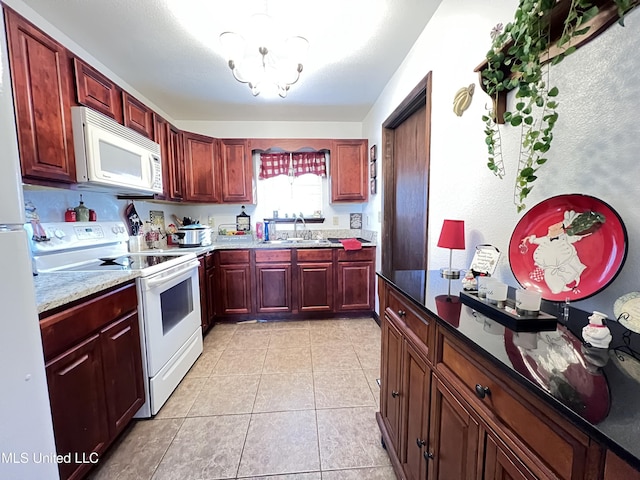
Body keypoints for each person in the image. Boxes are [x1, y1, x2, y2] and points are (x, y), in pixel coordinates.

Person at [521, 212, 591, 295]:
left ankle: (571, 282)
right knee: (551, 275)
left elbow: (577, 236)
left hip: (563, 259)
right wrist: (529, 239)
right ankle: (556, 288)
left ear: (561, 230)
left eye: (556, 227)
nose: (551, 228)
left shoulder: (565, 237)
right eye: (550, 229)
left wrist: (583, 231)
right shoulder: (546, 239)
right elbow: (535, 240)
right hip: (549, 263)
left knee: (567, 270)